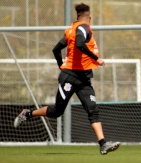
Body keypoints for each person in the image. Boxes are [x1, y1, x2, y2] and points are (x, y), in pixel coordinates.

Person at [14, 3, 120, 155]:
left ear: (77, 16)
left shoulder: (71, 29)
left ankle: (103, 144)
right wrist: (97, 59)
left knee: (93, 110)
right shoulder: (84, 27)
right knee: (57, 111)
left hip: (83, 79)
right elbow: (80, 44)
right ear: (89, 17)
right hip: (70, 77)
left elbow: (56, 49)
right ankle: (28, 114)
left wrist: (60, 65)